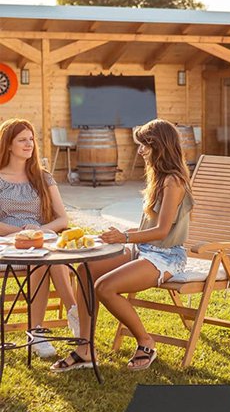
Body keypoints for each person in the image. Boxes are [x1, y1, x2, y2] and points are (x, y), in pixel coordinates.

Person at [51, 119, 193, 373]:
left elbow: (162, 231)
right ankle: (85, 349)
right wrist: (124, 234)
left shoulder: (173, 181)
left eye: (144, 146)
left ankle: (146, 342)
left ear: (159, 146)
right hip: (146, 249)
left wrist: (125, 239)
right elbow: (151, 227)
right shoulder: (158, 177)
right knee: (84, 270)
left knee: (104, 287)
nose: (140, 150)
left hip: (166, 256)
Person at [0, 118, 79, 359]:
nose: (29, 144)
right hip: (7, 245)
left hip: (40, 241)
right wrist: (20, 234)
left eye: (31, 139)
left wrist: (41, 231)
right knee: (45, 257)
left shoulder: (42, 177)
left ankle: (45, 328)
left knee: (45, 256)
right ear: (8, 145)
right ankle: (68, 317)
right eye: (22, 140)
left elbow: (62, 219)